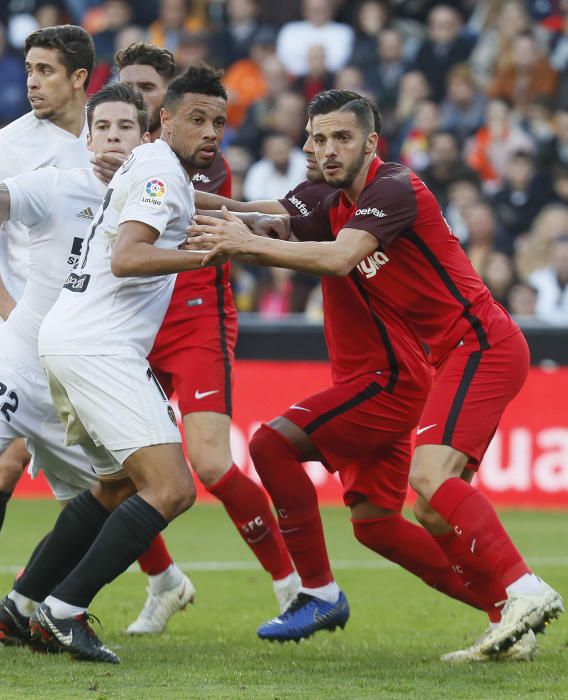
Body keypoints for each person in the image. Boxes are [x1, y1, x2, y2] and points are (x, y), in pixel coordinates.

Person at [187, 90, 563, 660]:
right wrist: (166, 197)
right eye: (318, 138)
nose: (328, 149)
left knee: (430, 478)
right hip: (449, 357)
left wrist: (245, 243)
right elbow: (262, 213)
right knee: (423, 507)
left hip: (480, 343)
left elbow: (339, 257)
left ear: (371, 143)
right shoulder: (328, 198)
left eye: (342, 138)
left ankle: (523, 587)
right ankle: (508, 623)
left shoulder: (395, 187)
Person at [1, 64, 228, 665]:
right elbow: (129, 258)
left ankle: (20, 607)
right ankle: (64, 611)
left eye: (220, 123)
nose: (210, 132)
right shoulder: (156, 167)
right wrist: (207, 254)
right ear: (166, 121)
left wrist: (251, 214)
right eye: (197, 119)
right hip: (99, 347)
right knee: (173, 489)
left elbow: (183, 199)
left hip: (68, 340)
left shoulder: (151, 167)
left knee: (116, 486)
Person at [116, 42, 298, 634]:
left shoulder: (193, 152)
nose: (133, 99)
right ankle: (164, 581)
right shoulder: (116, 147)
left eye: (145, 89)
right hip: (134, 321)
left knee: (212, 463)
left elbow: (189, 215)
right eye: (126, 88)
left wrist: (243, 211)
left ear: (167, 101)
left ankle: (293, 586)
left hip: (194, 315)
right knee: (114, 472)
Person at [0, 24, 119, 539]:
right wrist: (7, 308)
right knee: (5, 464)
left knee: (105, 488)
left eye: (45, 71)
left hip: (81, 339)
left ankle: (162, 581)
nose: (32, 82)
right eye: (29, 70)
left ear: (79, 78)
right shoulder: (11, 145)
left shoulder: (113, 137)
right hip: (18, 330)